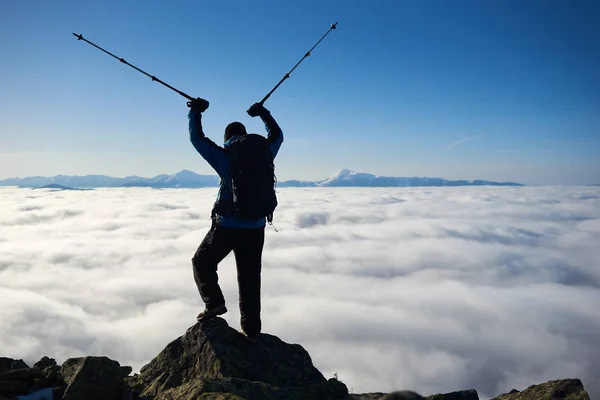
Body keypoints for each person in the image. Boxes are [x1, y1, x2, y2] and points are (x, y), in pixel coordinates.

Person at [187, 97, 283, 339]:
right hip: (256, 226)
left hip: (228, 225)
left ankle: (214, 303)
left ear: (227, 139)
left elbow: (197, 139)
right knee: (250, 277)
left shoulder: (225, 156)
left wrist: (196, 112)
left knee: (202, 262)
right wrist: (263, 113)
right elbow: (277, 135)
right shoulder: (265, 153)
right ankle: (251, 330)